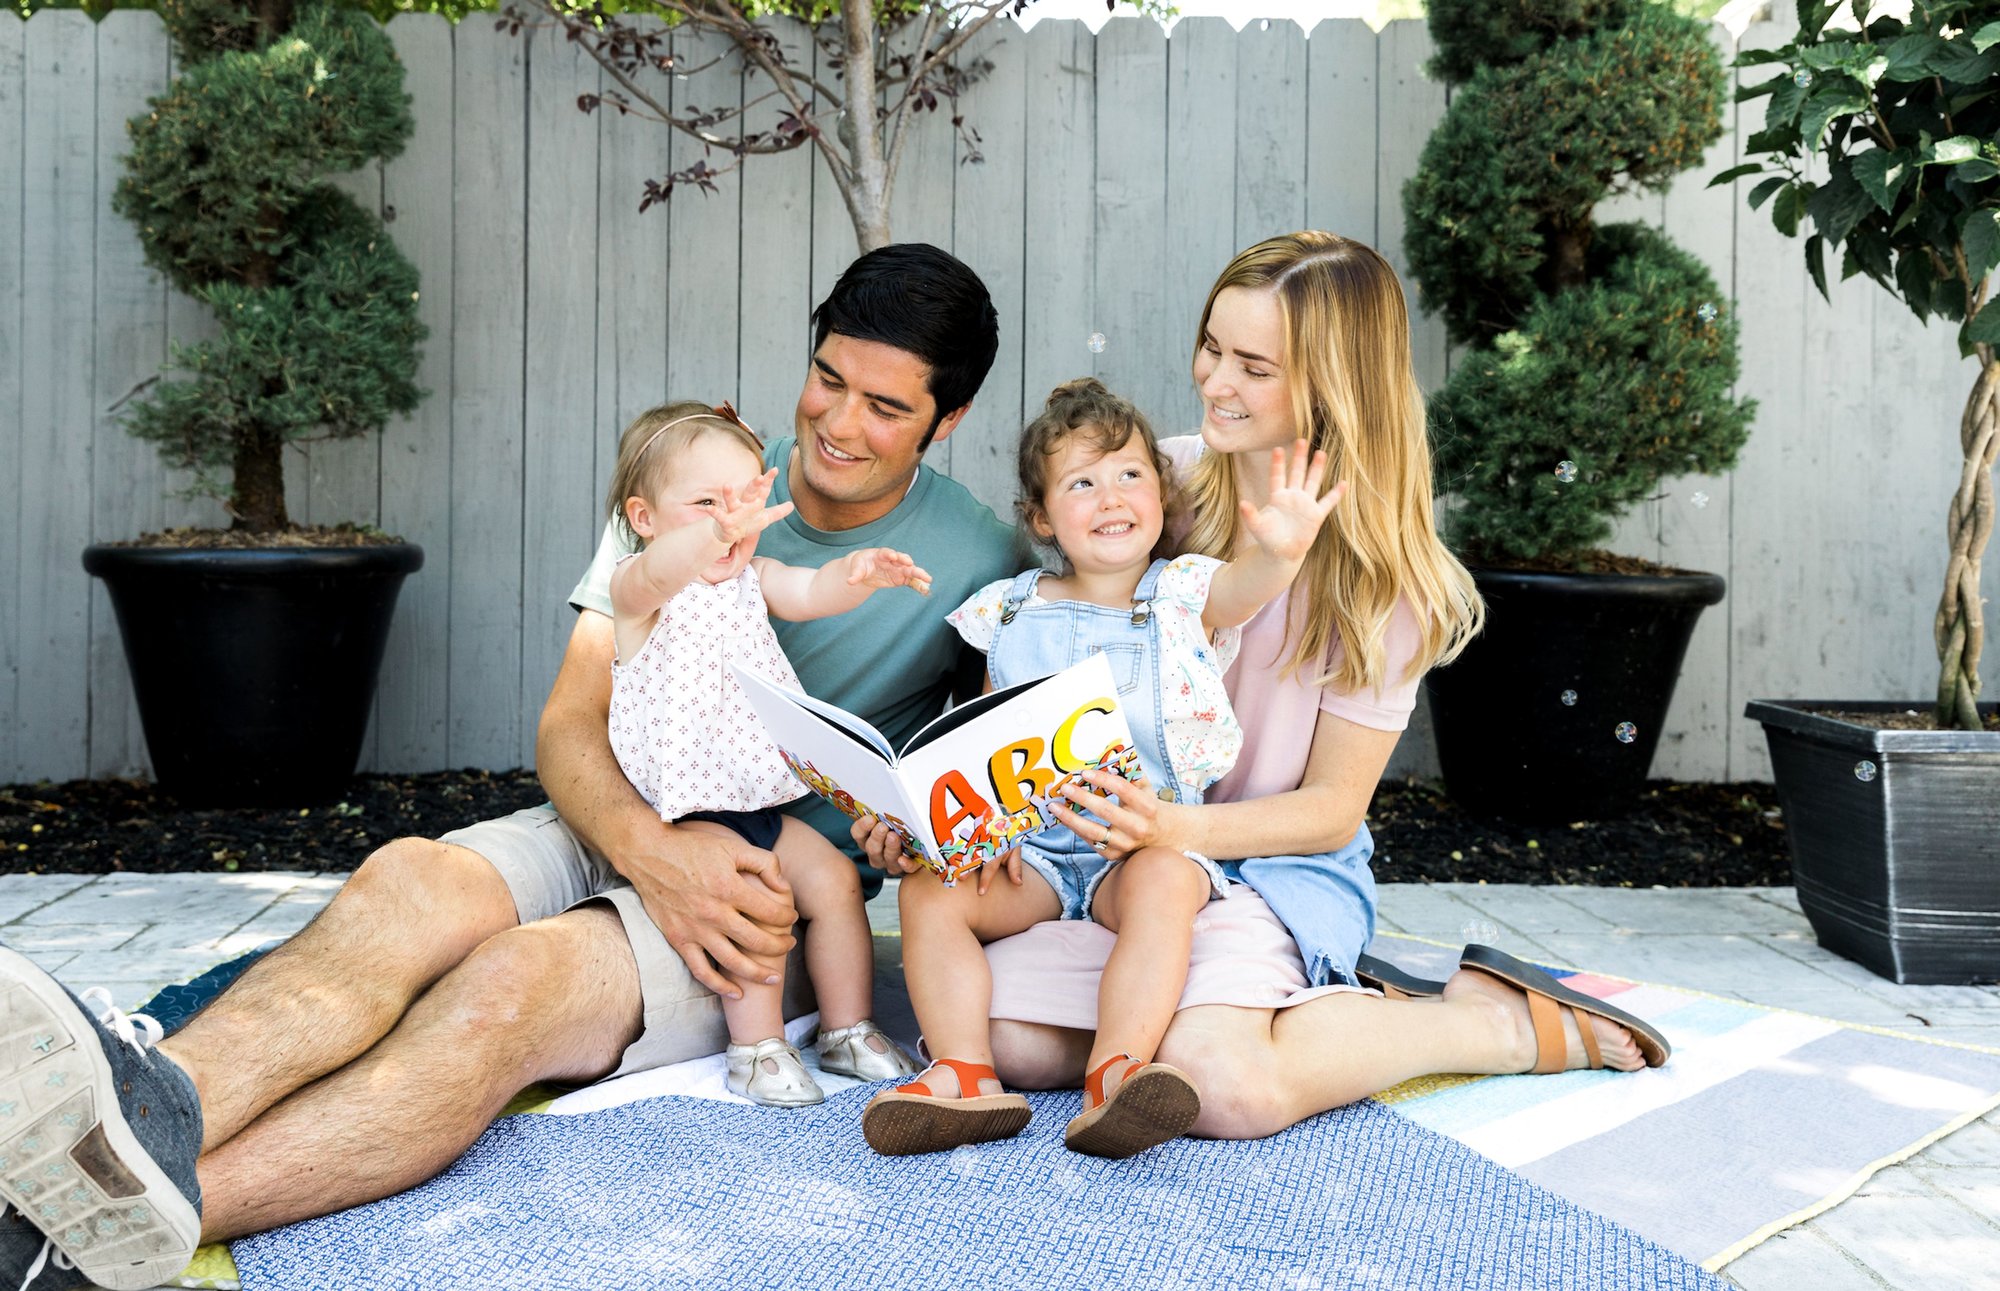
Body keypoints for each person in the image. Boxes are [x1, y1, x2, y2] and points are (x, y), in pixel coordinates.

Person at [0, 243, 1022, 1289]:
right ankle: (140, 1109)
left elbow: (980, 790)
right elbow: (571, 722)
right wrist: (647, 848)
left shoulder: (985, 558)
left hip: (768, 888)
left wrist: (904, 837)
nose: (837, 423)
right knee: (408, 882)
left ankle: (77, 1239)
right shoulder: (694, 472)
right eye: (827, 379)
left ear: (946, 420)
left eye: (884, 408)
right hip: (622, 813)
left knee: (509, 987)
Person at [850, 232, 1672, 1148]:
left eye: (1253, 366)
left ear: (1330, 385)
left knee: (1223, 1085)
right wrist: (955, 817)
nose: (1214, 381)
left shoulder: (1381, 577)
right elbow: (1034, 669)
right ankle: (1256, 1014)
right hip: (1112, 858)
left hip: (1266, 862)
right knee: (1002, 1037)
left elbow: (1329, 811)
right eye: (1212, 347)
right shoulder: (1151, 485)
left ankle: (1491, 1020)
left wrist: (1173, 831)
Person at [861, 378, 1340, 1160]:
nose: (1111, 496)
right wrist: (968, 828)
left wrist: (1281, 551)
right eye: (1082, 483)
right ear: (1042, 517)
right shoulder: (1008, 609)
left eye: (1129, 475)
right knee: (928, 892)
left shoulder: (1181, 592)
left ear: (1160, 493)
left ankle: (1118, 1073)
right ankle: (963, 1073)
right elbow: (980, 735)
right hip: (1037, 857)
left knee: (1165, 883)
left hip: (1140, 844)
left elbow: (1242, 588)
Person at [602, 400, 933, 1105]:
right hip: (686, 817)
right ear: (644, 517)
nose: (731, 523)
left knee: (834, 882)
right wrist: (707, 537)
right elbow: (653, 574)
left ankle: (847, 1028)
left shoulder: (753, 578)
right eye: (706, 504)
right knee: (756, 901)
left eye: (743, 504)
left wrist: (859, 572)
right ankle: (755, 1047)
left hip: (757, 803)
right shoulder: (639, 592)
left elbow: (811, 590)